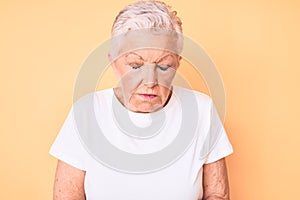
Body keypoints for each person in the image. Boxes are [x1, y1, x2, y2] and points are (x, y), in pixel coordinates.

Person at [49, 1, 233, 199]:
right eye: (136, 66)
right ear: (113, 61)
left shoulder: (201, 110)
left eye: (163, 67)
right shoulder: (85, 114)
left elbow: (217, 194)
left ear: (178, 63)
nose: (150, 81)